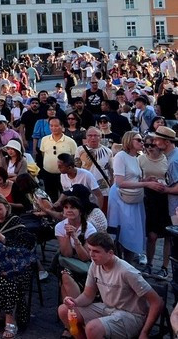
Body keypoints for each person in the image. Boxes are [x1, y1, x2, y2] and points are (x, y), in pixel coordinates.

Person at [59, 232, 163, 339]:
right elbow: (88, 295)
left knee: (92, 328)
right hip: (108, 308)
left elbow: (157, 302)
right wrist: (75, 302)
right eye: (90, 250)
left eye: (96, 251)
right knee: (64, 310)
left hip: (131, 315)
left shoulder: (127, 271)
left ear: (110, 253)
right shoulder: (95, 265)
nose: (91, 255)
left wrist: (145, 333)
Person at [0, 194, 36, 337]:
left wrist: (5, 240)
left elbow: (27, 244)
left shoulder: (15, 221)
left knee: (9, 280)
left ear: (6, 208)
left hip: (13, 264)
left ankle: (10, 318)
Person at [108, 131, 159, 261]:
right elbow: (120, 182)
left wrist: (145, 180)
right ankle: (118, 260)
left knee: (132, 231)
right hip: (120, 198)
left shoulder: (135, 157)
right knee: (123, 229)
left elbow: (133, 179)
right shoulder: (120, 156)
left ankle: (128, 261)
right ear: (129, 141)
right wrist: (146, 184)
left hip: (134, 197)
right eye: (139, 140)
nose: (142, 143)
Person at [138, 134, 170, 277]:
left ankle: (165, 267)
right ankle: (149, 264)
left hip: (165, 197)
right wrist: (146, 181)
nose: (149, 148)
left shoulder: (167, 159)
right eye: (146, 145)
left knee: (168, 234)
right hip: (148, 198)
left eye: (152, 145)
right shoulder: (141, 159)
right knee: (151, 235)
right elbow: (137, 178)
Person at [38, 117, 78, 202]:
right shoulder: (44, 140)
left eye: (56, 126)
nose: (53, 128)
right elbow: (43, 154)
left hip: (64, 175)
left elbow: (74, 158)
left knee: (66, 197)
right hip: (48, 173)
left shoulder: (70, 142)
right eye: (51, 126)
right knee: (51, 196)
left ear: (62, 126)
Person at [75, 127, 113, 211]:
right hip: (85, 188)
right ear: (86, 137)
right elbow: (77, 169)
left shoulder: (108, 152)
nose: (93, 138)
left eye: (96, 135)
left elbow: (111, 171)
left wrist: (112, 186)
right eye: (90, 135)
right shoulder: (79, 150)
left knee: (102, 212)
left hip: (103, 189)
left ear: (100, 137)